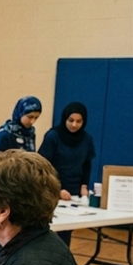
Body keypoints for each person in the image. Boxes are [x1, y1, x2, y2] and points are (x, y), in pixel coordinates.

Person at [38, 101, 96, 246]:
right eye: (71, 120)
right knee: (48, 227)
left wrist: (84, 185)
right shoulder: (53, 136)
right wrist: (57, 188)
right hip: (52, 190)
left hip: (73, 192)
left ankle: (62, 260)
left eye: (79, 121)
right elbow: (44, 166)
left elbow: (87, 164)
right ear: (64, 119)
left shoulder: (87, 139)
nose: (74, 125)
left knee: (66, 232)